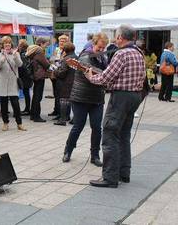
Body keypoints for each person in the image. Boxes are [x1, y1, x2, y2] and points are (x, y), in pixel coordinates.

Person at [86, 25, 146, 188]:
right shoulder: (138, 53)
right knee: (124, 135)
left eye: (117, 37)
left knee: (110, 134)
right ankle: (123, 173)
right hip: (135, 95)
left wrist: (91, 77)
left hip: (121, 97)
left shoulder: (121, 54)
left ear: (120, 38)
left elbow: (107, 77)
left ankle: (110, 177)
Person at [62, 33, 109, 167]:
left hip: (97, 98)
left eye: (103, 48)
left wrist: (103, 75)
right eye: (99, 47)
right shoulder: (85, 56)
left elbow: (105, 73)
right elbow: (90, 74)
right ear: (93, 44)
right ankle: (68, 151)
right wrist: (103, 75)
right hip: (80, 97)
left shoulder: (103, 58)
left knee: (97, 128)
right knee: (78, 126)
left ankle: (95, 155)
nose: (101, 50)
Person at [0, 36, 27, 132]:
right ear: (2, 45)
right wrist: (3, 59)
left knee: (15, 104)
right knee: (3, 104)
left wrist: (16, 56)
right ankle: (5, 123)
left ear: (11, 44)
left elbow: (20, 64)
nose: (7, 45)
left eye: (9, 43)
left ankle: (19, 123)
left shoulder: (15, 53)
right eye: (5, 43)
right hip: (2, 82)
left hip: (12, 82)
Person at [25, 45, 50, 122]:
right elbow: (46, 64)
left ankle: (33, 115)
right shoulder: (39, 53)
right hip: (40, 76)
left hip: (35, 76)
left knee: (35, 95)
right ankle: (36, 116)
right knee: (38, 97)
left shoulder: (31, 54)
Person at [53, 42, 76, 126]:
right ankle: (74, 119)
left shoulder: (66, 59)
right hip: (75, 82)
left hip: (65, 83)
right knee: (73, 100)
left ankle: (62, 119)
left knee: (63, 100)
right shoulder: (76, 58)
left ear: (65, 50)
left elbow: (62, 73)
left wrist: (55, 71)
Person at [49, 34, 69, 119]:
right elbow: (51, 59)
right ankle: (56, 110)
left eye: (64, 41)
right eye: (61, 41)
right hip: (54, 73)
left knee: (61, 95)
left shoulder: (66, 51)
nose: (62, 42)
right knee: (56, 94)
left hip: (62, 75)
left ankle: (62, 114)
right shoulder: (56, 49)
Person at [17, 39, 32, 116]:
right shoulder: (27, 52)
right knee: (26, 93)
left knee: (26, 93)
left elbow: (22, 66)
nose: (18, 46)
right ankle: (27, 108)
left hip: (25, 76)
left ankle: (27, 109)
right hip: (27, 76)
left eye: (19, 44)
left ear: (21, 46)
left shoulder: (23, 54)